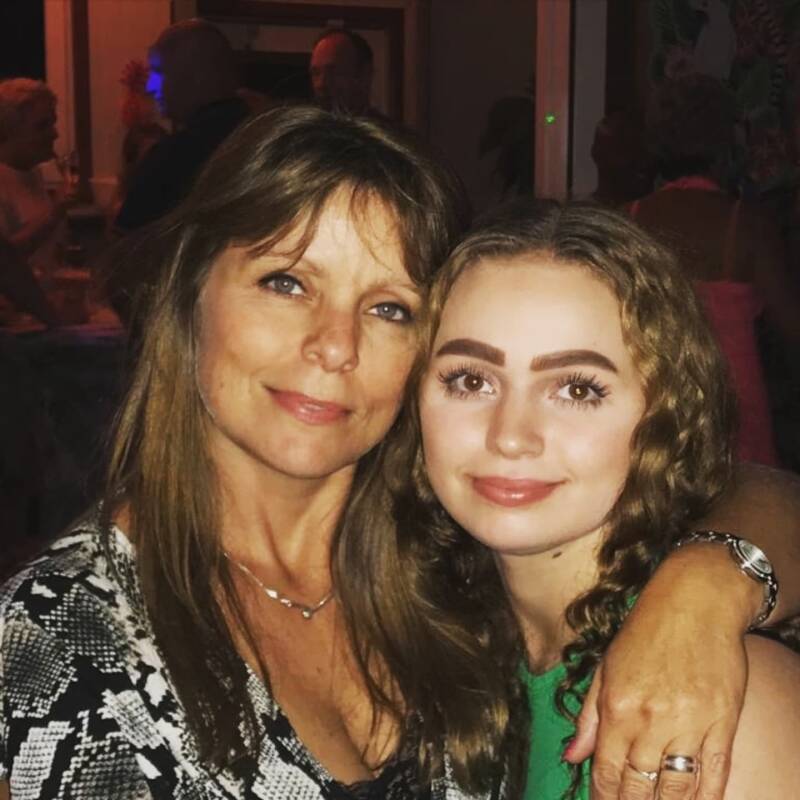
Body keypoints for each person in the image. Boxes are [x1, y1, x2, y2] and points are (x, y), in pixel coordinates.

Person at [3, 107, 800, 800]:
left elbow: (755, 492)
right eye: (287, 282)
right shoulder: (54, 639)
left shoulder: (441, 557)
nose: (334, 345)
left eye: (388, 307)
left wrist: (706, 589)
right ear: (187, 294)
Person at [384, 199, 800, 799]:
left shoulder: (714, 703)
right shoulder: (429, 637)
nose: (510, 436)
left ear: (663, 413)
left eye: (577, 389)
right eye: (471, 380)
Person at [630, 73, 800, 466]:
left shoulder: (630, 219)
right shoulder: (747, 225)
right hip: (735, 414)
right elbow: (793, 326)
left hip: (655, 410)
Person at [114, 19, 249, 233]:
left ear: (197, 75)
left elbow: (126, 240)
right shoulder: (262, 136)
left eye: (159, 72)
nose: (150, 85)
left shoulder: (174, 157)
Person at [0, 78, 63, 322]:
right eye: (42, 125)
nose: (55, 133)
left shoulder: (36, 174)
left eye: (53, 123)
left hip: (43, 312)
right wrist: (55, 214)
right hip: (16, 324)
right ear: (8, 130)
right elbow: (5, 259)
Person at [309, 28, 378, 117]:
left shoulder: (383, 126)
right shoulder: (309, 125)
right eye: (316, 73)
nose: (321, 84)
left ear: (364, 75)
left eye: (333, 72)